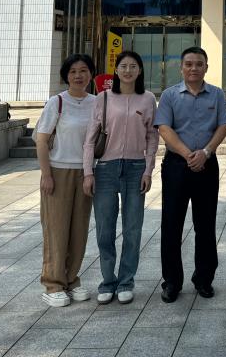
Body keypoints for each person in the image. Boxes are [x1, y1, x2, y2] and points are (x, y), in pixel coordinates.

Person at [156, 46, 226, 302]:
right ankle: (172, 282)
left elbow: (223, 125)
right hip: (177, 166)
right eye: (188, 64)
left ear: (206, 67)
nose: (194, 68)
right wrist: (189, 154)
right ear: (181, 67)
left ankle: (204, 279)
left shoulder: (217, 94)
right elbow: (164, 128)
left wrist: (206, 153)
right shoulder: (169, 95)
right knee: (171, 225)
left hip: (207, 165)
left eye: (199, 64)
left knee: (205, 225)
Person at [82, 50, 158, 305]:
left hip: (136, 168)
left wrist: (148, 170)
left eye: (133, 66)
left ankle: (126, 281)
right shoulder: (103, 98)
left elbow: (152, 136)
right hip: (105, 169)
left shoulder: (148, 99)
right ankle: (107, 281)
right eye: (123, 66)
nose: (128, 70)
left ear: (140, 71)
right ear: (116, 70)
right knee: (105, 229)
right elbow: (90, 139)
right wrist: (88, 172)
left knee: (132, 229)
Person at [34, 54, 97, 307]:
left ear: (91, 74)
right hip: (58, 171)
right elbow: (41, 140)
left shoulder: (96, 103)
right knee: (56, 230)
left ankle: (72, 279)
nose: (78, 76)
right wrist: (46, 174)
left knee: (79, 230)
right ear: (66, 76)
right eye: (73, 72)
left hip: (85, 173)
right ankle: (53, 284)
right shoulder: (57, 102)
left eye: (83, 70)